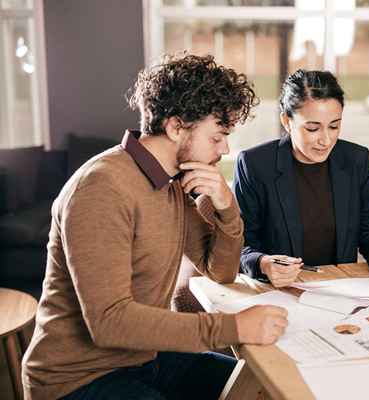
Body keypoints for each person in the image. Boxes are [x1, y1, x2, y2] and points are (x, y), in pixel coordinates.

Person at [21, 54, 289, 400]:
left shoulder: (172, 183)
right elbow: (110, 322)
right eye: (217, 136)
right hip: (77, 379)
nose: (225, 148)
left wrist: (226, 206)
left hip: (143, 357)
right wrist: (232, 327)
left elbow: (220, 271)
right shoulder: (101, 188)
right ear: (177, 127)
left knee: (259, 387)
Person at [233, 69, 369, 288]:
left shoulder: (356, 160)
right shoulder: (254, 165)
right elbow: (240, 246)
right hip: (278, 291)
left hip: (341, 289)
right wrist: (264, 263)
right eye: (313, 128)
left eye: (334, 126)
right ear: (286, 121)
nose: (326, 140)